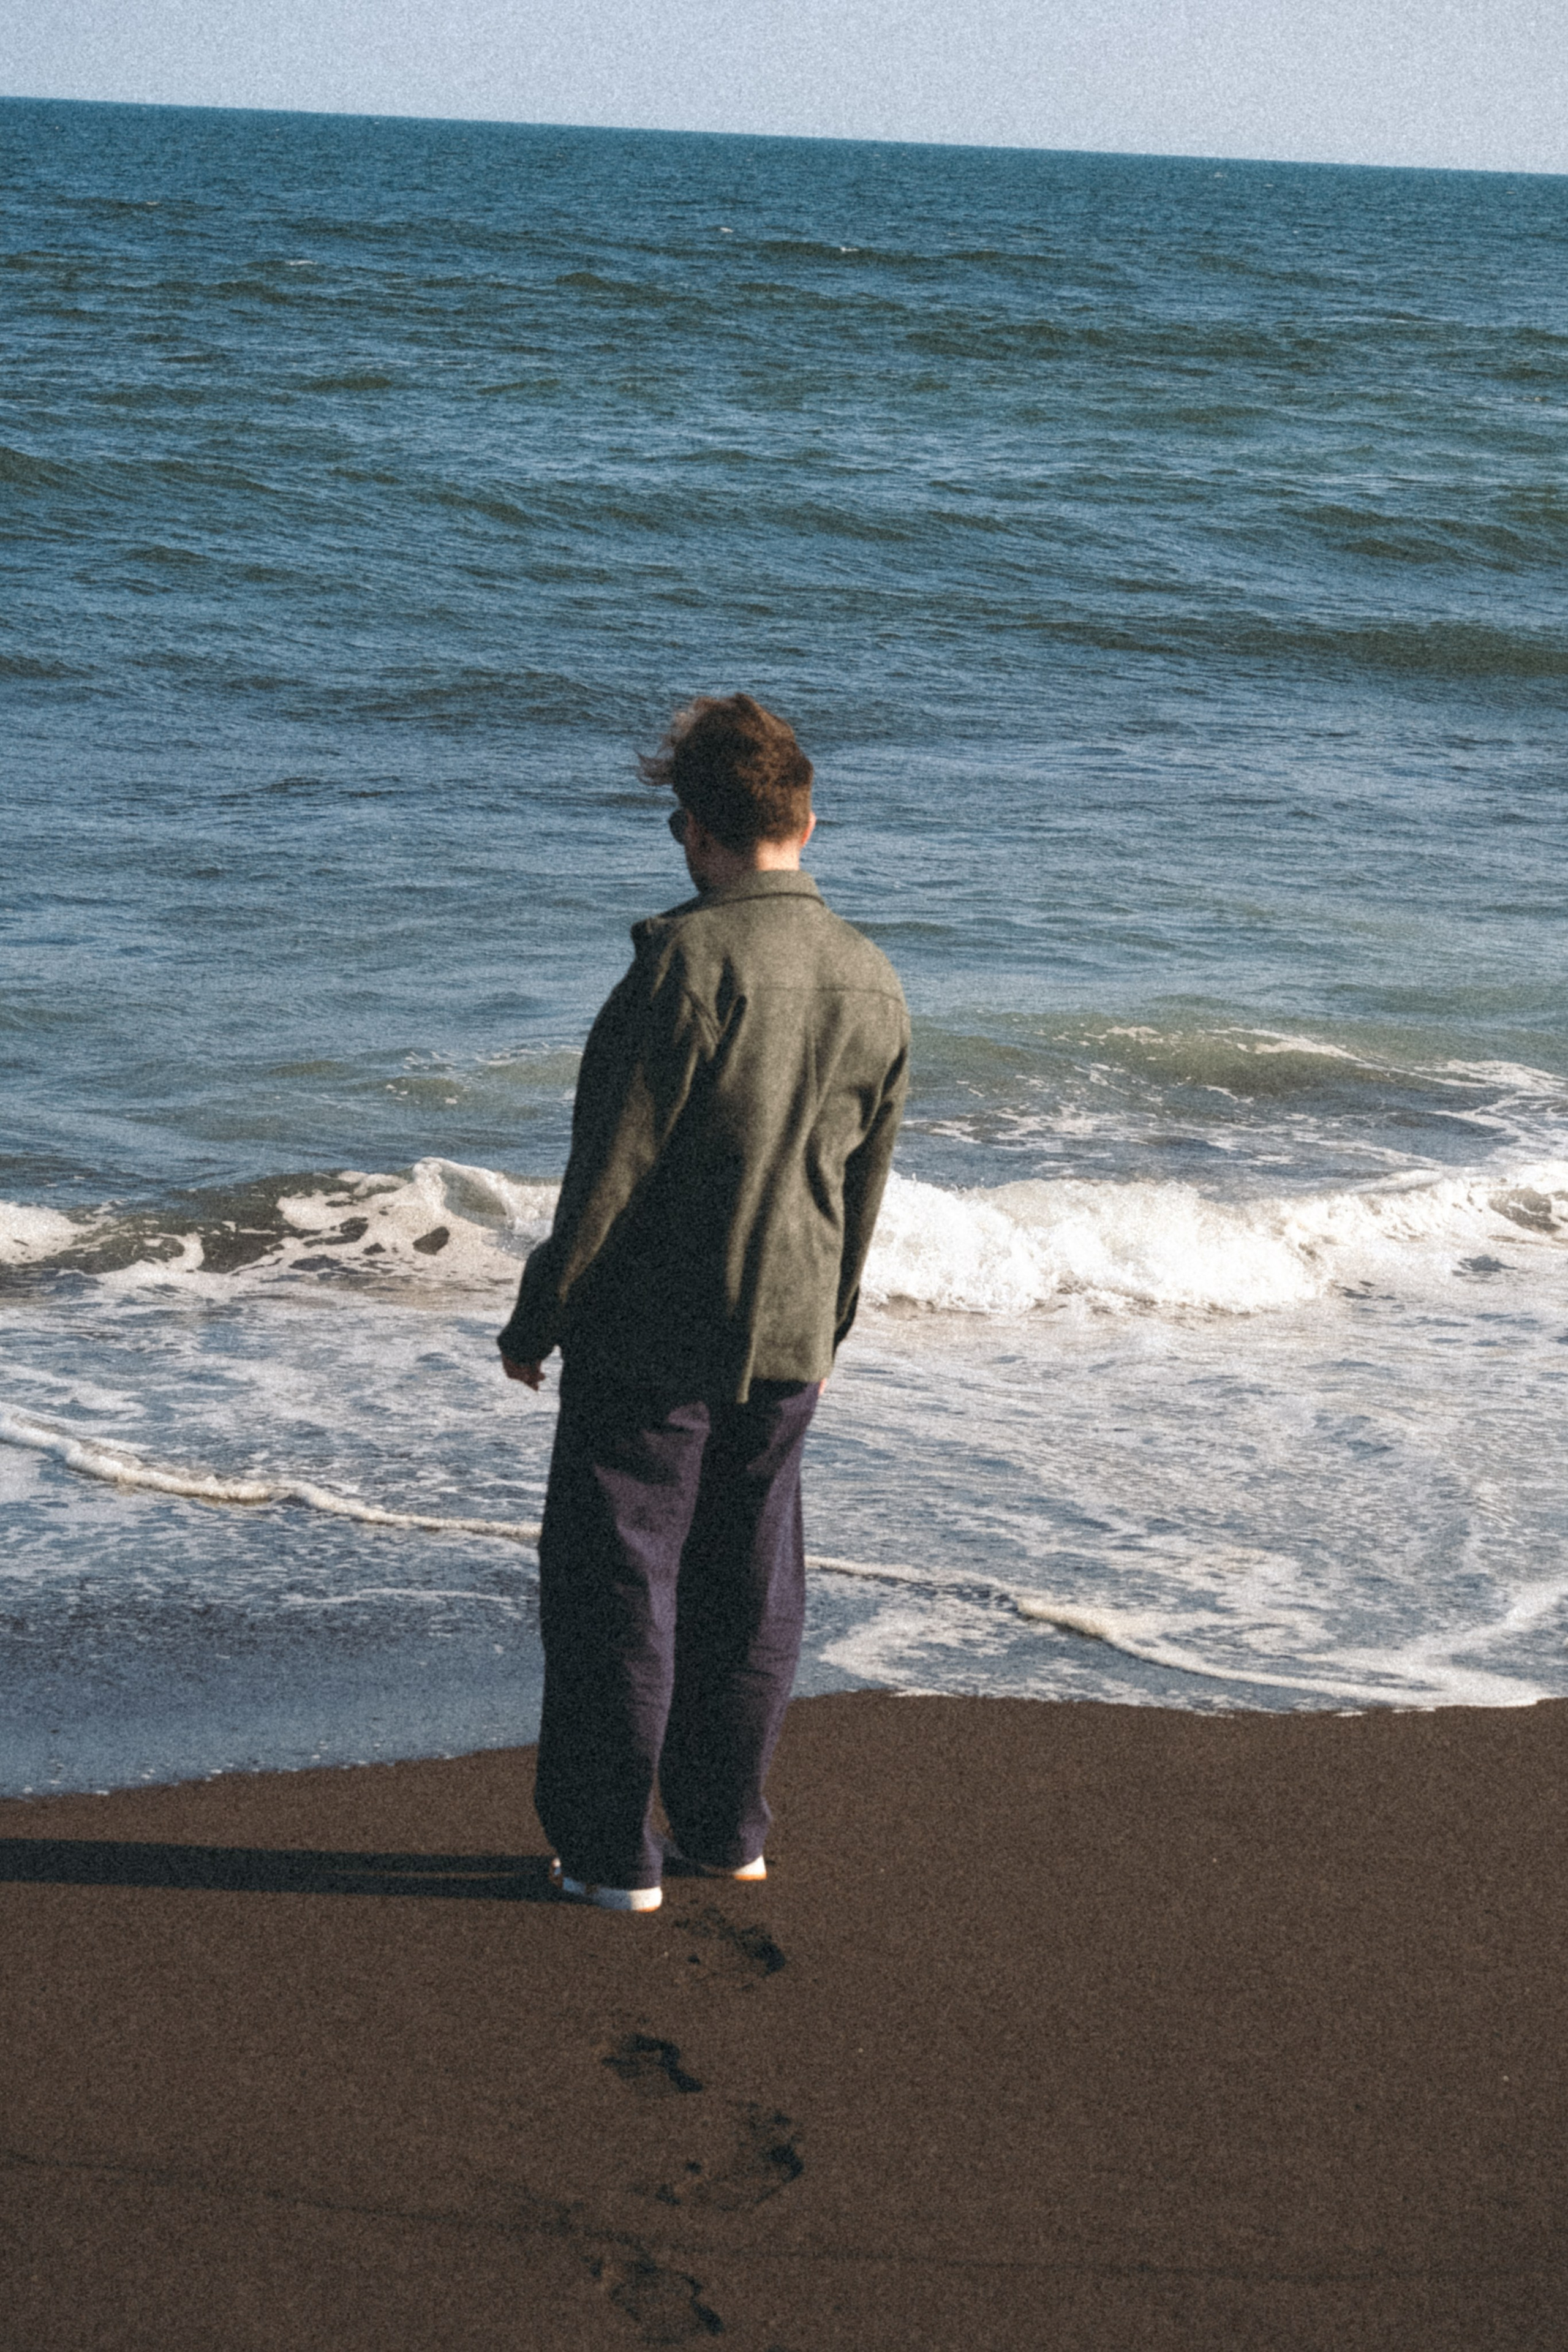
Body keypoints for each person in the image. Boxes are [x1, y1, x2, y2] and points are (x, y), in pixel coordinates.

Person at [498, 694, 909, 1912]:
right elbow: (862, 1191)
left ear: (690, 828)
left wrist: (537, 1319)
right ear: (806, 821)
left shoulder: (681, 962)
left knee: (617, 1587)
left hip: (653, 1335)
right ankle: (725, 1830)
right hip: (791, 1333)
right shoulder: (870, 978)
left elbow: (607, 1176)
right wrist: (826, 1329)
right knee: (750, 1585)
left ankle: (607, 1853)